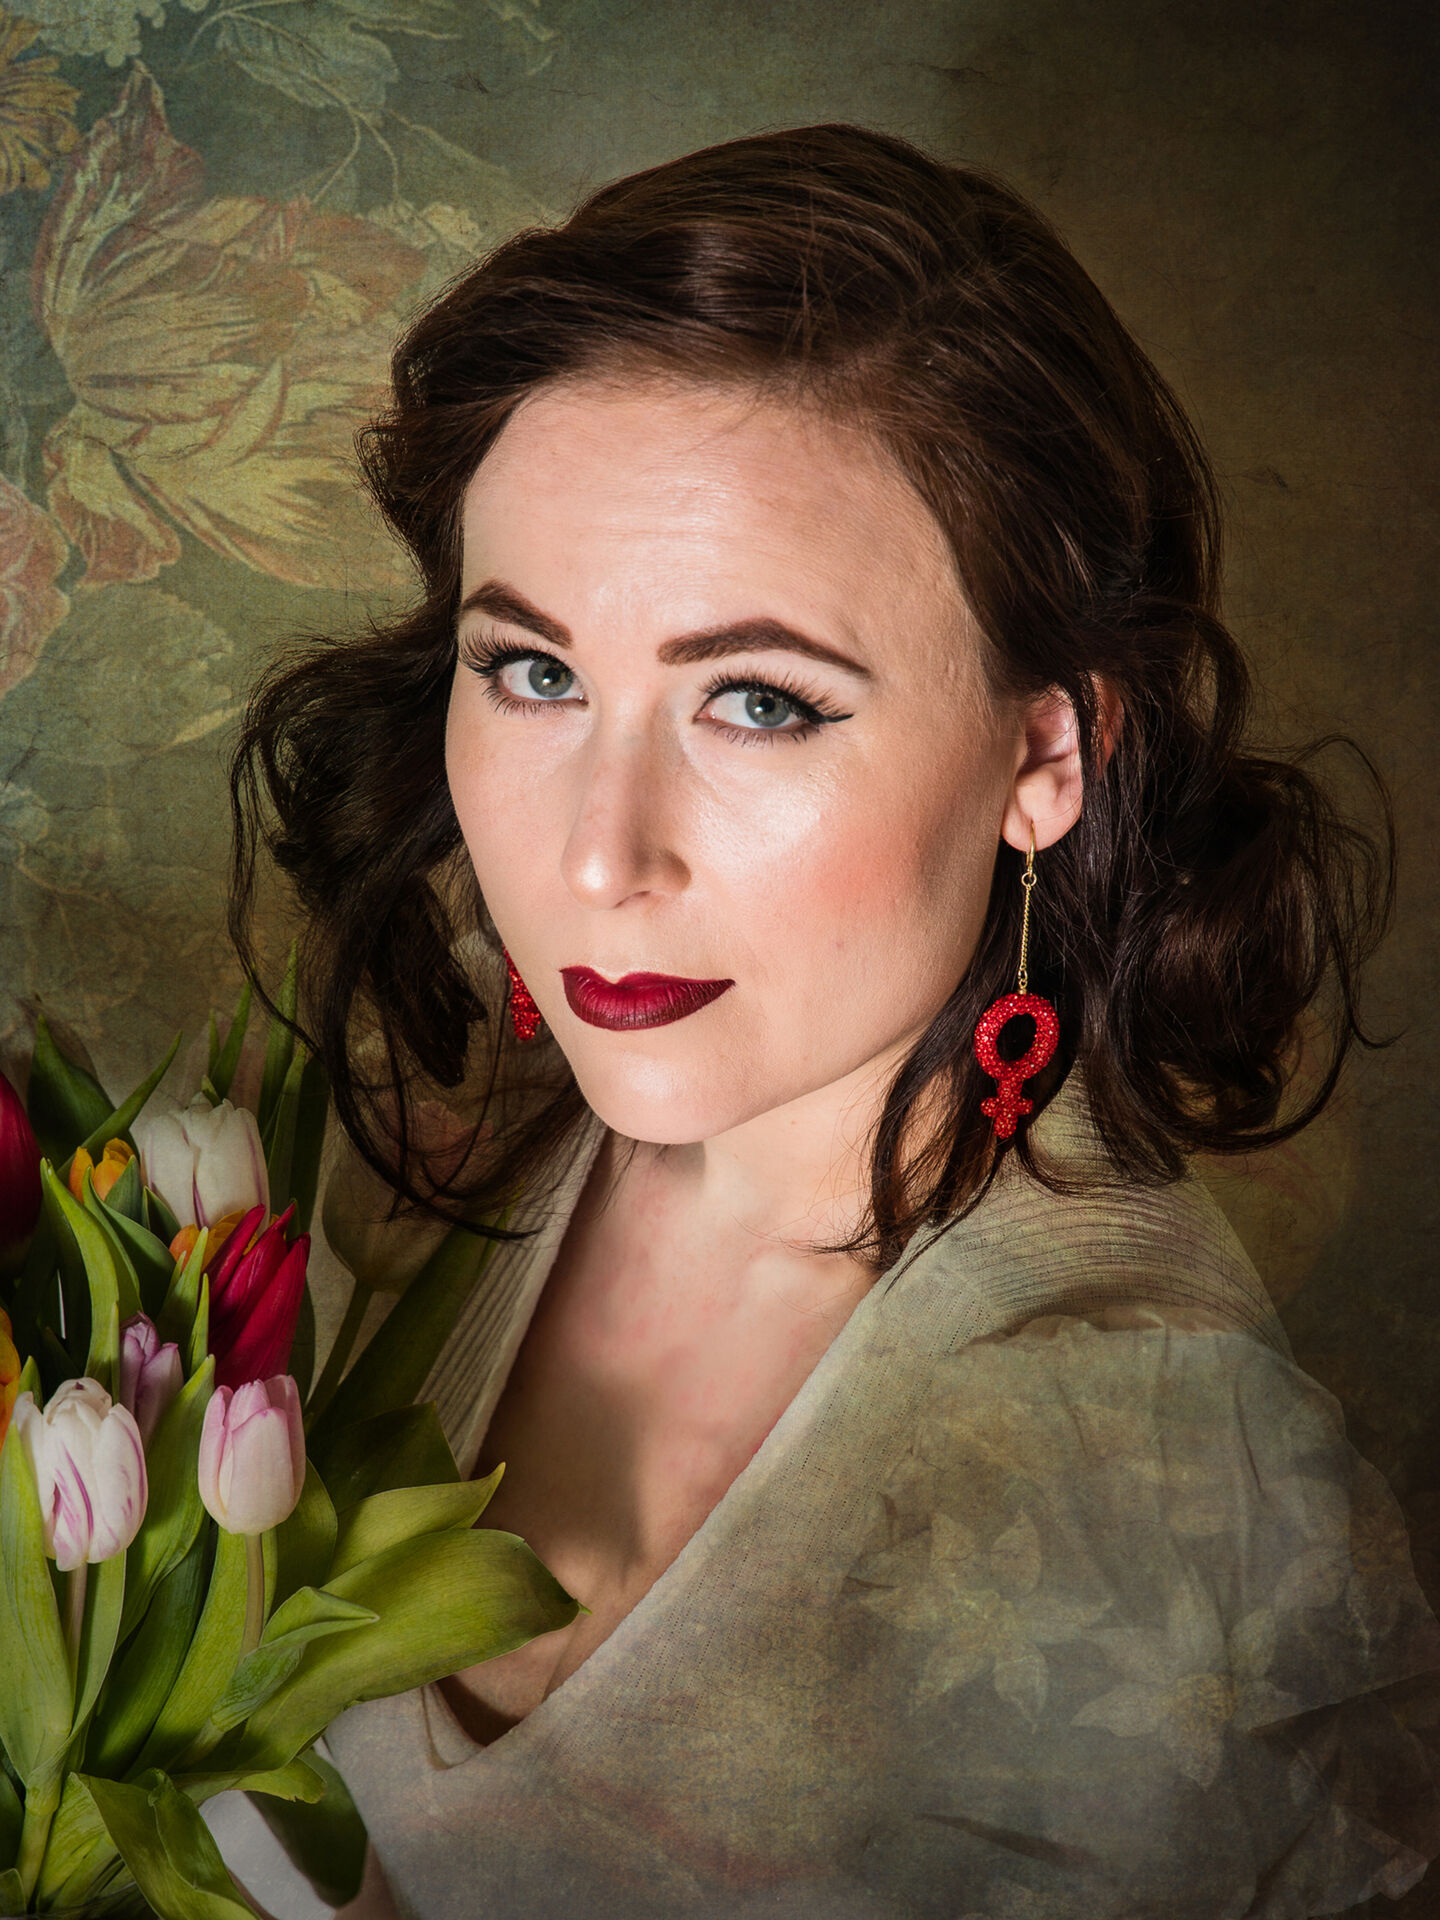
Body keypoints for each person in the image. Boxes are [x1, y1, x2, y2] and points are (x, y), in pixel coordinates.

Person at [228, 123, 1440, 1918]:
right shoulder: (414, 1151)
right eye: (535, 670)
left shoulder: (1157, 1492)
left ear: (1046, 754)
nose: (597, 858)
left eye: (761, 703)